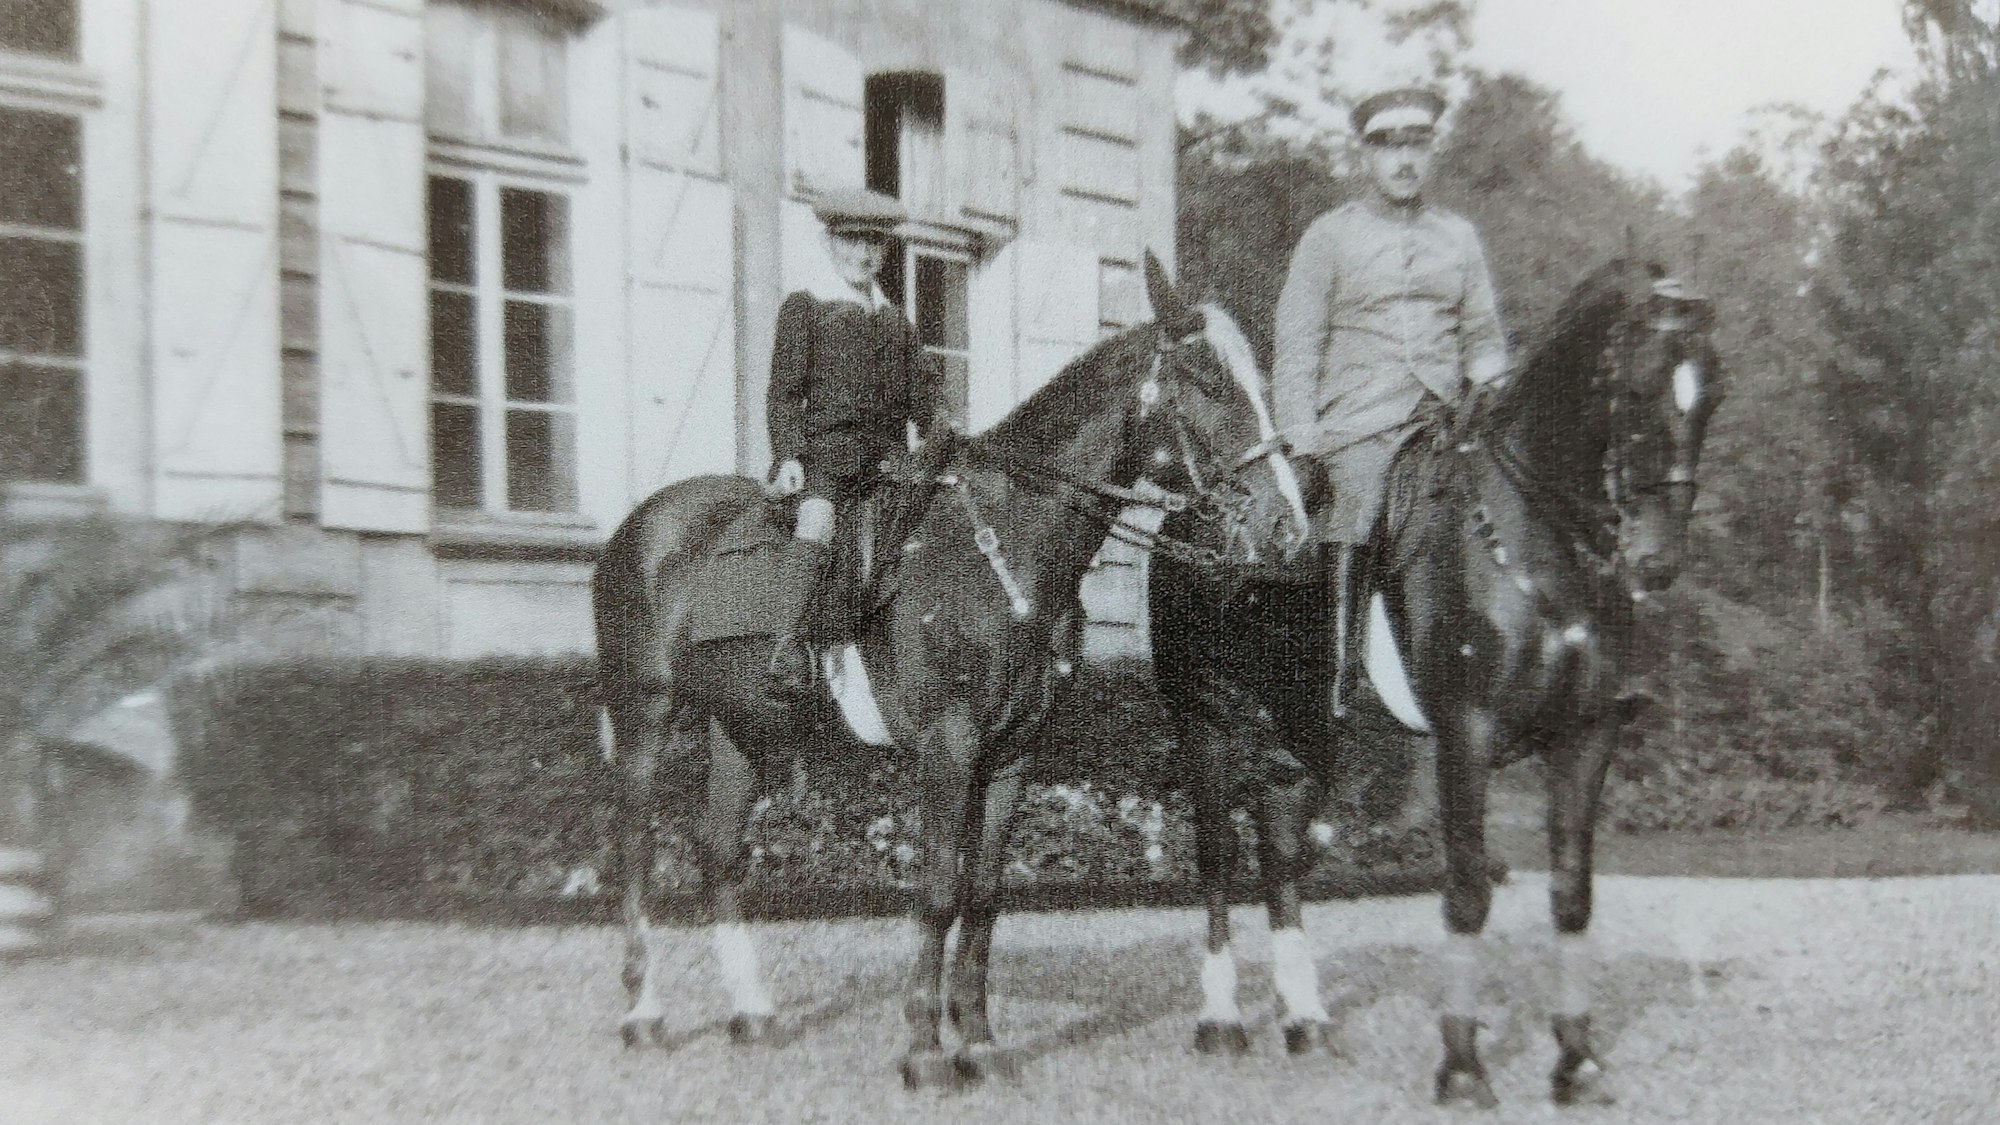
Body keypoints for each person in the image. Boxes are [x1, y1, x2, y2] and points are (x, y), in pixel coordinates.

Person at [1270, 86, 1508, 714]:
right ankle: (1339, 674)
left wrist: (1489, 384)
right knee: (1360, 499)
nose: (1404, 160)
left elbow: (1483, 335)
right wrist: (1301, 433)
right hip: (1359, 424)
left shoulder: (1457, 239)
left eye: (1417, 144)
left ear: (1431, 152)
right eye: (1388, 146)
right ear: (1367, 155)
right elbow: (1297, 343)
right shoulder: (1330, 237)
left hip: (1445, 421)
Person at [765, 187, 942, 690]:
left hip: (890, 467)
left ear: (885, 252)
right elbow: (783, 393)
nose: (863, 255)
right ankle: (787, 649)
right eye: (851, 241)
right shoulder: (806, 306)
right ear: (828, 242)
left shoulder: (895, 322)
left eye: (874, 244)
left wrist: (943, 435)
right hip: (826, 462)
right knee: (817, 524)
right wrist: (789, 455)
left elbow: (922, 403)